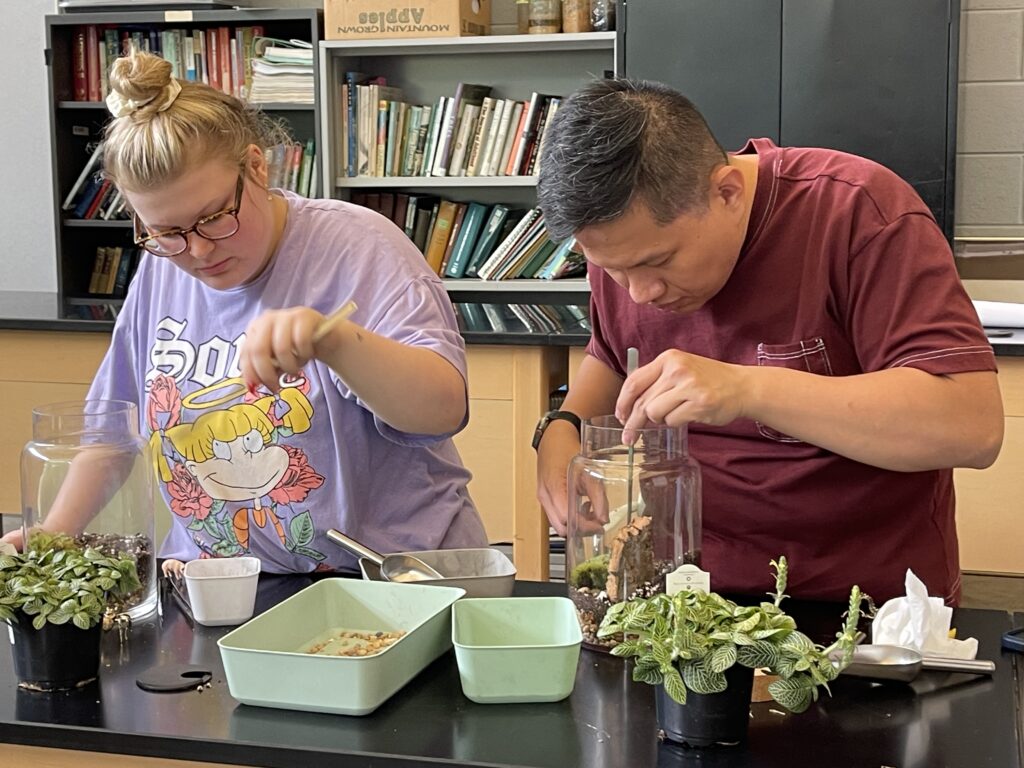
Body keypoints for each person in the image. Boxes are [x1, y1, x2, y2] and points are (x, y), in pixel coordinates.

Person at [3, 49, 487, 573]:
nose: (199, 251)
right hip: (226, 587)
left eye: (213, 217)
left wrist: (336, 342)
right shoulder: (164, 266)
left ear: (256, 165)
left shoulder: (359, 246)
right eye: (166, 232)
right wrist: (53, 534)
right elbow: (114, 434)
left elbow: (441, 410)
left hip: (390, 581)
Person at [534, 78, 1004, 605]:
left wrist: (748, 390)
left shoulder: (860, 212)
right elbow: (614, 357)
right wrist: (560, 430)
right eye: (611, 270)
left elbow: (972, 426)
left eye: (657, 262)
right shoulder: (625, 248)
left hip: (865, 609)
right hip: (690, 598)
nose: (640, 294)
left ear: (727, 191)